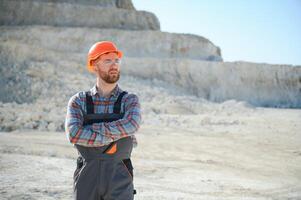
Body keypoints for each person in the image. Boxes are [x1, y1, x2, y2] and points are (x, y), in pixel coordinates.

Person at [65, 41, 141, 200]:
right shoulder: (78, 101)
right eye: (107, 61)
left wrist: (92, 129)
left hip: (119, 176)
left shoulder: (130, 100)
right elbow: (73, 134)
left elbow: (132, 124)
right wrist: (115, 136)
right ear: (94, 66)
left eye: (116, 61)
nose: (114, 65)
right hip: (87, 176)